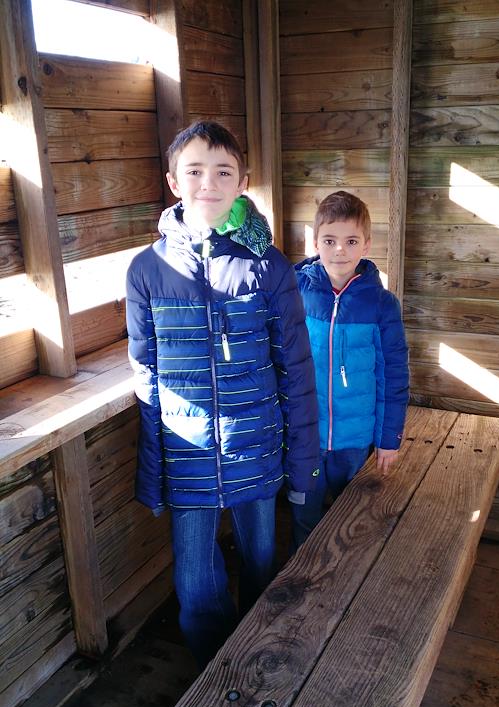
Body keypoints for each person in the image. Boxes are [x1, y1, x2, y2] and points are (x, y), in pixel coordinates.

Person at [126, 120, 319, 666]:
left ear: (243, 182)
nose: (207, 183)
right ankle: (213, 674)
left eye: (223, 172)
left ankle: (261, 660)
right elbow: (146, 374)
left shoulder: (268, 265)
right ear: (173, 181)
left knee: (261, 564)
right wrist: (154, 471)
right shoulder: (146, 269)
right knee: (194, 581)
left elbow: (295, 367)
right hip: (185, 454)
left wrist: (303, 462)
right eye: (193, 171)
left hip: (256, 447)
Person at [291, 190, 409, 549]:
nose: (340, 250)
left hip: (356, 441)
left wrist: (388, 440)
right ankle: (300, 579)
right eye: (329, 240)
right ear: (315, 242)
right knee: (304, 520)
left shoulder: (382, 305)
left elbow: (393, 377)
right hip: (305, 438)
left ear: (366, 245)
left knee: (353, 522)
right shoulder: (296, 292)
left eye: (351, 241)